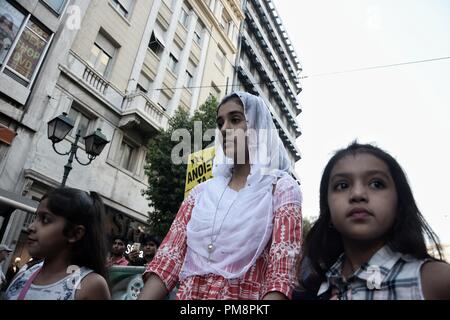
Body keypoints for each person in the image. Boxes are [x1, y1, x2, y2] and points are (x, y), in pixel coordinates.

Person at [139, 91, 302, 300]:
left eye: (235, 119)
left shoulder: (281, 189)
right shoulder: (200, 193)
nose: (224, 129)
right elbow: (168, 261)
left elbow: (281, 275)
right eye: (220, 123)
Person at [297, 141, 450, 300]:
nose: (357, 194)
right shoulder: (314, 288)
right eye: (342, 185)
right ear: (327, 209)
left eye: (376, 184)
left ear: (399, 203)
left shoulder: (433, 281)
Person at [4, 187, 111, 300]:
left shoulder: (89, 285)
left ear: (75, 234)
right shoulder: (24, 273)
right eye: (36, 217)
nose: (31, 227)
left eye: (46, 220)